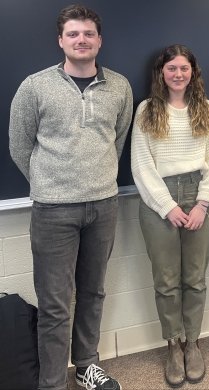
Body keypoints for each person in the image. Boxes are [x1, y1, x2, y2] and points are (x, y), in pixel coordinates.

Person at [9, 4, 133, 390]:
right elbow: (19, 145)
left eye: (89, 34)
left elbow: (117, 139)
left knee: (93, 292)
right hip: (53, 210)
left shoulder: (120, 87)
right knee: (55, 303)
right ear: (61, 40)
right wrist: (50, 184)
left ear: (100, 40)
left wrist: (94, 179)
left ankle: (86, 367)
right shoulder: (34, 86)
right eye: (74, 34)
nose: (82, 40)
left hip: (104, 205)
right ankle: (52, 382)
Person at [131, 44, 209, 387]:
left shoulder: (206, 109)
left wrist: (202, 203)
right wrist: (166, 206)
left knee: (195, 278)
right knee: (166, 281)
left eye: (184, 68)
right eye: (172, 69)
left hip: (198, 196)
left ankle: (192, 343)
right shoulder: (147, 110)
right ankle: (173, 345)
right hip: (158, 201)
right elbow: (141, 164)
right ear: (161, 73)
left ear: (193, 72)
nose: (178, 74)